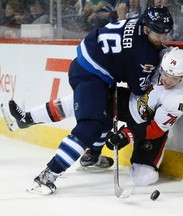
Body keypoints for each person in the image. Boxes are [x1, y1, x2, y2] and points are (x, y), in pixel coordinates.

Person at [15, 6, 173, 195]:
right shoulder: (145, 54)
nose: (163, 39)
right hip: (90, 75)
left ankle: (92, 157)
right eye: (159, 34)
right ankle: (47, 175)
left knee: (104, 116)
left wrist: (118, 65)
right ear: (146, 28)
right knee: (90, 125)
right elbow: (139, 89)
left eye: (166, 33)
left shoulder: (139, 22)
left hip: (90, 63)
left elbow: (124, 49)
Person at [8, 47, 183, 187]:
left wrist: (126, 135)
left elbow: (155, 129)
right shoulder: (164, 56)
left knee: (143, 178)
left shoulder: (181, 98)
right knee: (88, 100)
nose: (167, 80)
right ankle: (29, 118)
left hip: (146, 126)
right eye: (165, 74)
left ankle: (99, 156)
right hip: (130, 101)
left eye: (174, 78)